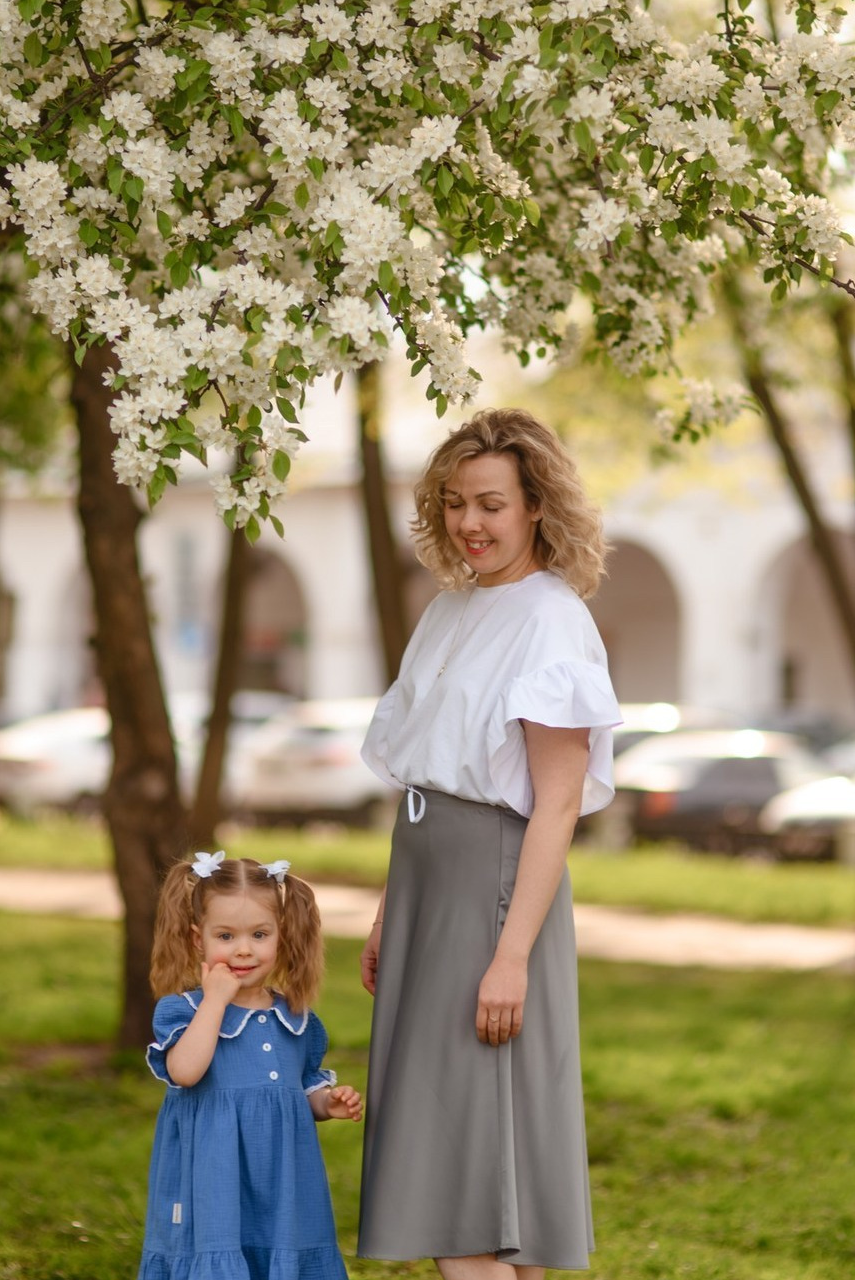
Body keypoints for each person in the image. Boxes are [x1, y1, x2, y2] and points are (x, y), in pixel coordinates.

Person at [357, 407, 621, 1279]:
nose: (471, 522)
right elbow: (425, 777)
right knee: (473, 1164)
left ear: (536, 505)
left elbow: (555, 807)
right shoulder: (450, 608)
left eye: (493, 505)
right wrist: (392, 908)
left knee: (462, 1167)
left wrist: (511, 958)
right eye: (457, 502)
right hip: (428, 887)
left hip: (494, 901)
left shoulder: (550, 620)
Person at [138, 852, 364, 1280]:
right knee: (221, 1252)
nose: (243, 949)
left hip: (282, 1182)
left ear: (282, 937)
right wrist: (216, 1001)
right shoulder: (184, 1011)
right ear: (196, 939)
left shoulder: (295, 1018)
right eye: (225, 936)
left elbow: (302, 1085)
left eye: (260, 934)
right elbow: (185, 1071)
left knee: (280, 1250)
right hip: (214, 1180)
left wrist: (325, 1102)